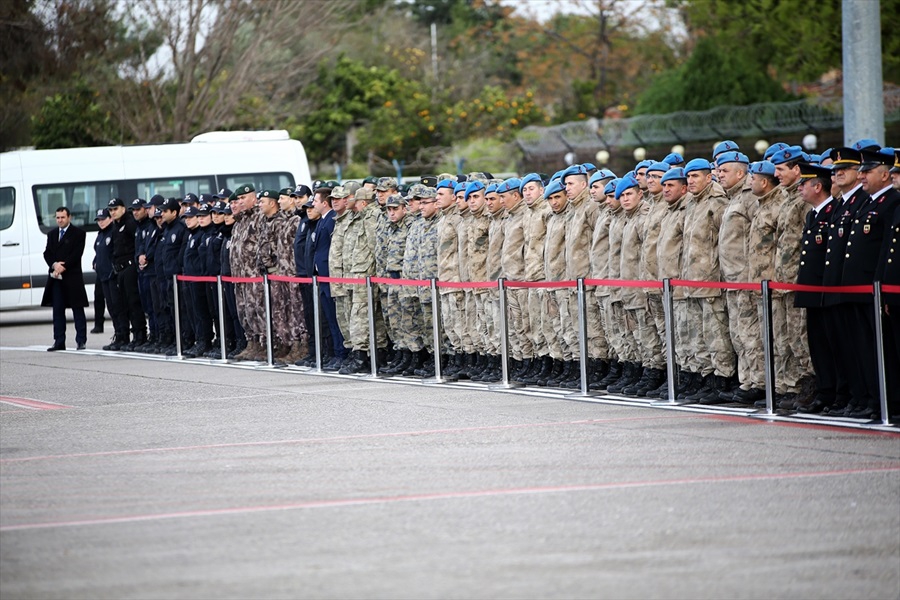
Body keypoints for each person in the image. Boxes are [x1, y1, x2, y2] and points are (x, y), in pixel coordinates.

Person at [42, 206, 88, 351]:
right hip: (56, 278)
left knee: (77, 309)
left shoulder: (78, 234)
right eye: (57, 218)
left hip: (72, 277)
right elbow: (47, 253)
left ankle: (81, 341)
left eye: (62, 217)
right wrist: (55, 265)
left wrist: (64, 265)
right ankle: (59, 341)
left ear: (69, 218)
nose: (60, 220)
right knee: (57, 310)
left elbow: (77, 254)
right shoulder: (52, 234)